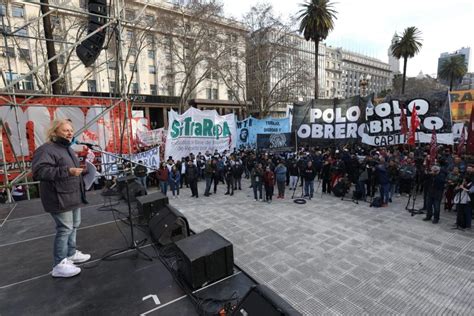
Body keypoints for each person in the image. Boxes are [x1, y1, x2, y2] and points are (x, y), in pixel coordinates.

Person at [32, 119, 90, 278]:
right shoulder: (46, 150)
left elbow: (66, 170)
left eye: (71, 130)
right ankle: (59, 264)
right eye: (65, 130)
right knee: (64, 229)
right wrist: (68, 171)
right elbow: (40, 172)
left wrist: (81, 171)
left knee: (74, 226)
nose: (70, 133)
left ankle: (71, 254)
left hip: (73, 195)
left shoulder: (68, 149)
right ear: (54, 132)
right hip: (58, 197)